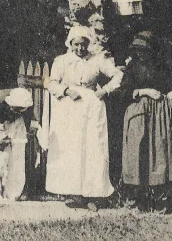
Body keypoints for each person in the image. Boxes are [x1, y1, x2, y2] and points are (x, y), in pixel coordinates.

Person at [44, 25, 123, 209]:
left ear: (88, 44)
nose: (80, 49)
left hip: (92, 108)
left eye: (83, 45)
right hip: (69, 109)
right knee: (72, 149)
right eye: (76, 45)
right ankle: (74, 193)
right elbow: (51, 83)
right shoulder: (61, 61)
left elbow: (118, 75)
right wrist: (66, 90)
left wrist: (105, 90)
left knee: (93, 148)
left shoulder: (96, 60)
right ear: (70, 43)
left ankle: (93, 195)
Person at [121, 31, 172, 211]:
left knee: (161, 155)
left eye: (144, 50)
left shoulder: (164, 65)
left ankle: (161, 202)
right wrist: (144, 91)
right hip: (138, 115)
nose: (141, 54)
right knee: (138, 154)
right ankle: (137, 202)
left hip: (161, 115)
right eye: (138, 50)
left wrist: (171, 96)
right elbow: (124, 92)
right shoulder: (132, 67)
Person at [0, 87, 41, 204]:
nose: (13, 109)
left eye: (17, 109)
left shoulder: (26, 102)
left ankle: (13, 193)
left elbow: (31, 122)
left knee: (16, 157)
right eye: (13, 108)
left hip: (10, 123)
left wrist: (30, 130)